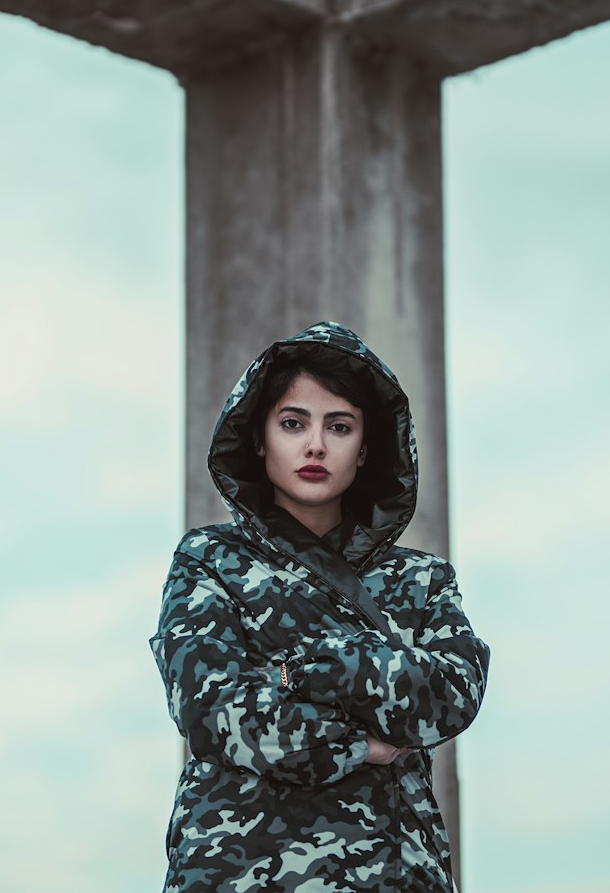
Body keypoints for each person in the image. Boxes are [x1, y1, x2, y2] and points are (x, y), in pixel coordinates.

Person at [150, 320, 490, 893]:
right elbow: (214, 712)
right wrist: (363, 744)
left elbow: (453, 693)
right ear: (259, 439)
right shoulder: (208, 562)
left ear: (365, 448)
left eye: (339, 426)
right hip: (240, 874)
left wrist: (307, 670)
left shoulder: (421, 579)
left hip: (393, 873)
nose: (315, 445)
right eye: (292, 423)